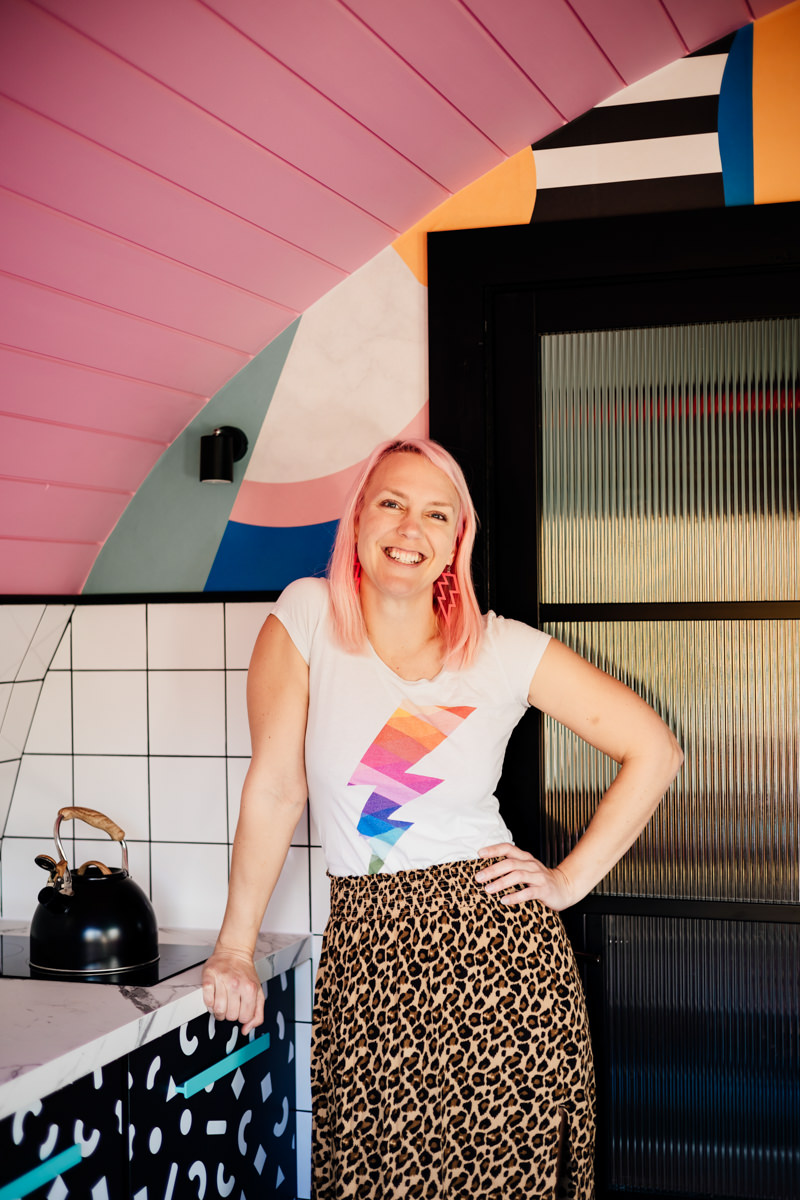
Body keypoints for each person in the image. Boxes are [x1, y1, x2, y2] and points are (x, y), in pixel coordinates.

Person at [202, 437, 683, 1199]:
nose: (410, 528)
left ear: (458, 538)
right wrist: (233, 949)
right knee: (374, 1176)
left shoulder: (500, 649)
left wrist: (568, 881)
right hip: (369, 953)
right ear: (358, 517)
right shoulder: (306, 616)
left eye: (436, 514)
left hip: (498, 963)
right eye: (391, 502)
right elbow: (276, 789)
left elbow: (654, 750)